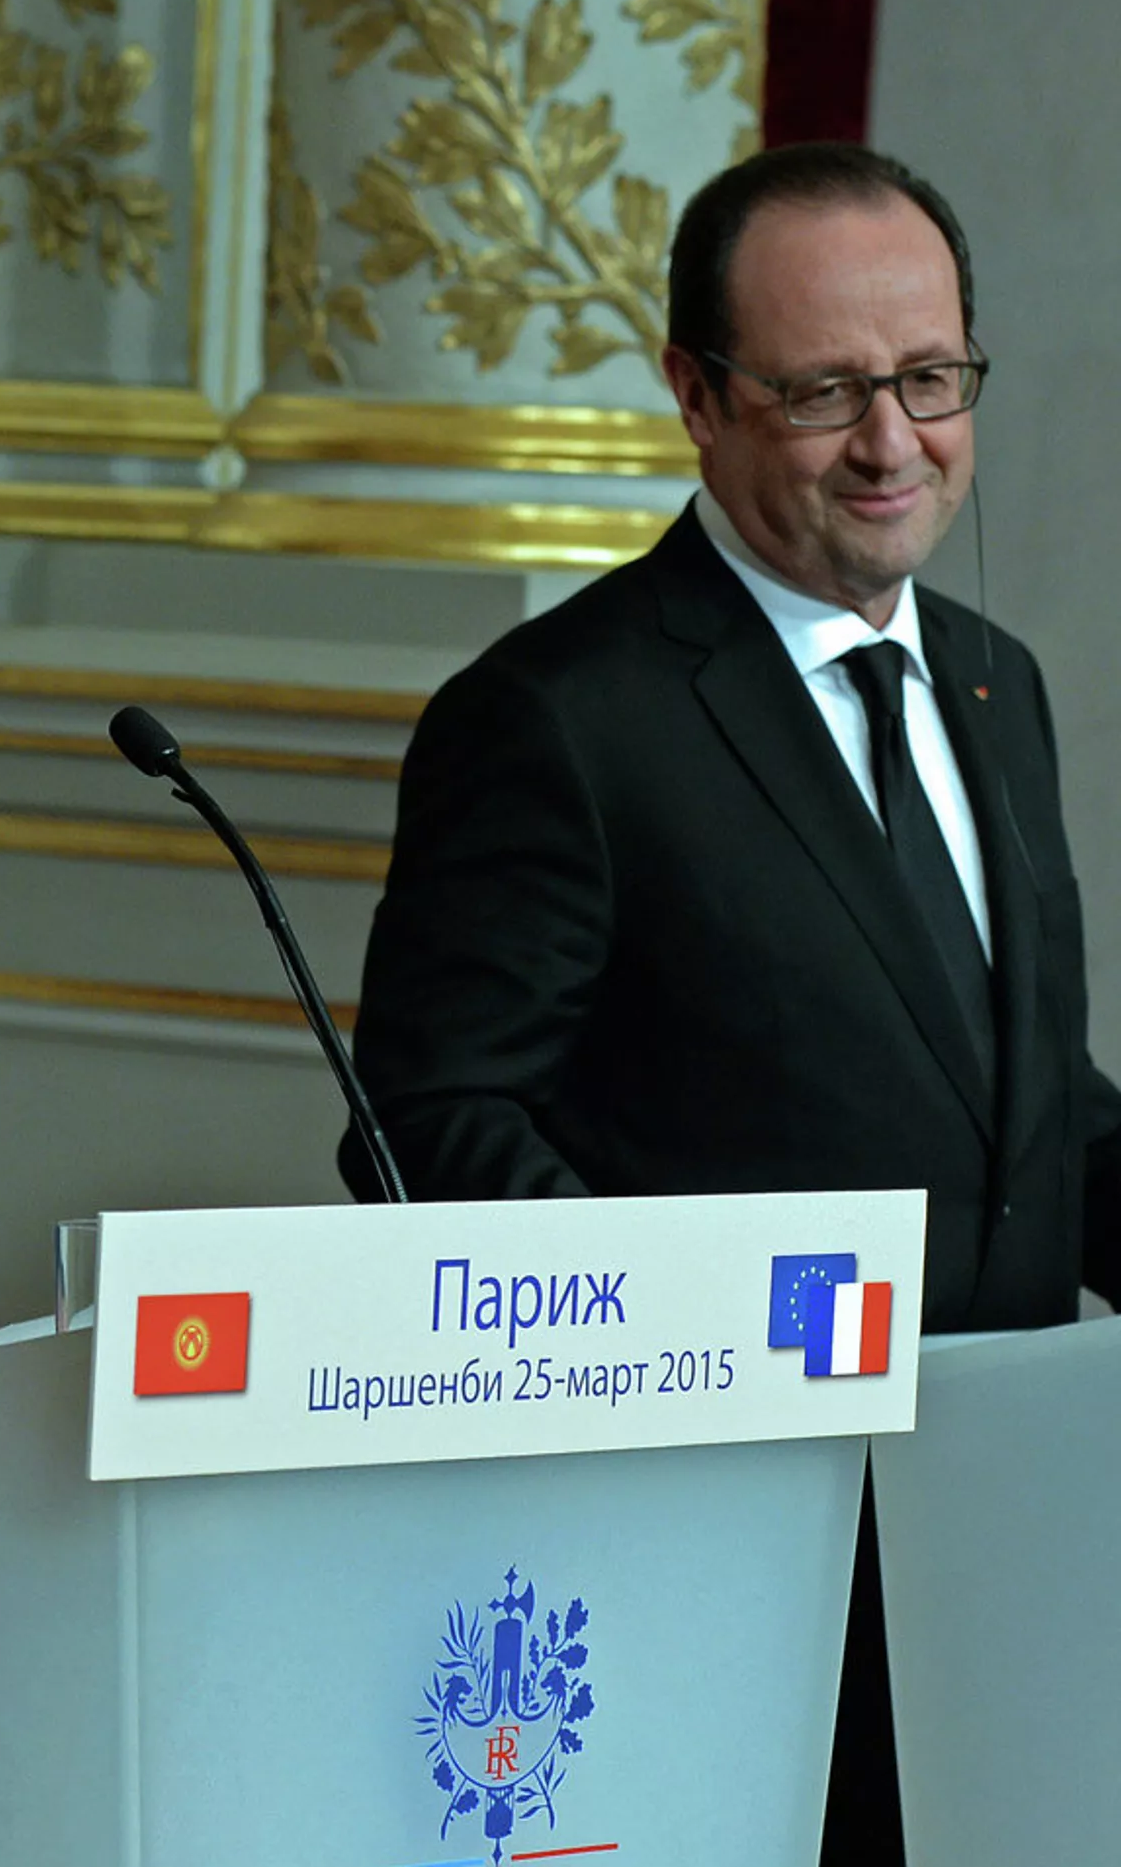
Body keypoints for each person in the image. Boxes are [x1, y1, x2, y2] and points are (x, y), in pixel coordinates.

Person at [340, 141, 1121, 1865]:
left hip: (1002, 1548)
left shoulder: (996, 682)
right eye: (825, 392)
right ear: (696, 395)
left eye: (931, 380)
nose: (893, 443)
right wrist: (690, 1352)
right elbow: (432, 1124)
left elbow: (1030, 1103)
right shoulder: (555, 717)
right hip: (714, 1559)